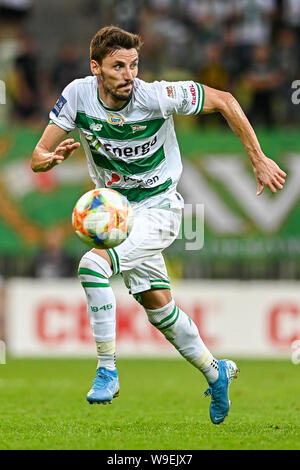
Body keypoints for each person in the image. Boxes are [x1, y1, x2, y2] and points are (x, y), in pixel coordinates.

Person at [30, 26, 286, 424]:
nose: (129, 74)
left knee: (92, 265)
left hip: (160, 209)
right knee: (159, 309)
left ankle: (106, 369)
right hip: (119, 211)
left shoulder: (155, 97)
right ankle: (216, 374)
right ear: (96, 68)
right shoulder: (79, 95)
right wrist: (49, 159)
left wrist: (257, 157)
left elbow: (225, 100)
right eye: (118, 66)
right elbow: (38, 154)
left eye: (134, 65)